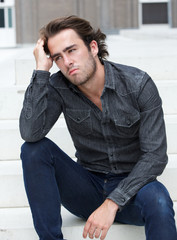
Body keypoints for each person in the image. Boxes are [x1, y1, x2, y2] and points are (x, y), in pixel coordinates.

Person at [20, 15, 177, 240]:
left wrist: (113, 202)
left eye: (72, 50)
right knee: (33, 150)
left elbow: (155, 156)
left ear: (93, 47)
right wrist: (41, 71)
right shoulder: (58, 87)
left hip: (133, 189)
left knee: (159, 200)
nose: (67, 62)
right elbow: (30, 133)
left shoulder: (137, 84)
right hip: (87, 188)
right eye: (58, 57)